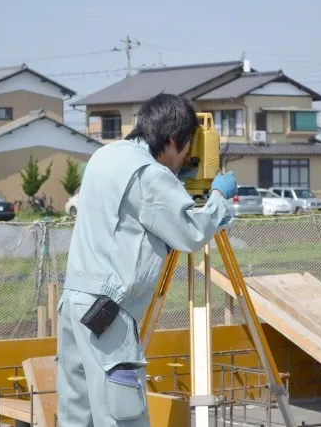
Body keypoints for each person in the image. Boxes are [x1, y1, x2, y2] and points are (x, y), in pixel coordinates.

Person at [56, 93, 238, 426]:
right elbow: (191, 233)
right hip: (107, 317)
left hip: (73, 307)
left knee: (76, 416)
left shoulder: (104, 156)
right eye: (184, 150)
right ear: (170, 140)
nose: (184, 159)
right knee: (120, 416)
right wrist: (218, 199)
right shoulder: (152, 176)